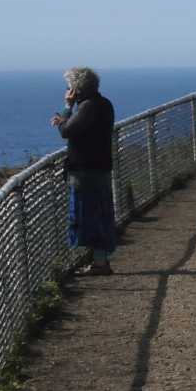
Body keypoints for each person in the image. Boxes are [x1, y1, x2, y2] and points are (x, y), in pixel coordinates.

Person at [51, 66, 116, 276]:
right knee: (100, 216)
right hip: (101, 168)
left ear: (77, 89)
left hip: (86, 172)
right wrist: (65, 119)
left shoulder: (87, 106)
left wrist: (67, 109)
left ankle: (99, 265)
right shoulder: (103, 104)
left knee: (90, 218)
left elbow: (66, 132)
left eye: (70, 86)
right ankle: (100, 262)